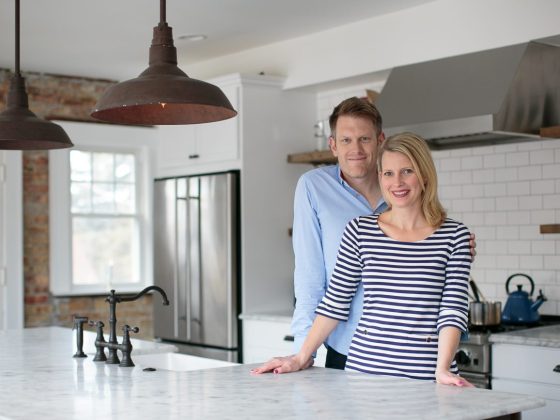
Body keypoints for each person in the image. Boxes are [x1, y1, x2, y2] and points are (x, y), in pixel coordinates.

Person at [253, 132, 473, 386]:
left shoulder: (455, 235)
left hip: (426, 374)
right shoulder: (360, 230)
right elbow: (335, 302)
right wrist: (301, 356)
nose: (397, 182)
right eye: (388, 173)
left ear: (424, 174)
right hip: (364, 372)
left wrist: (443, 369)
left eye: (407, 171)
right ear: (380, 177)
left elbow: (452, 310)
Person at [290, 97, 388, 370]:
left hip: (403, 346)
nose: (355, 149)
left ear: (380, 140)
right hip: (346, 345)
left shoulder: (400, 187)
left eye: (364, 139)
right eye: (346, 140)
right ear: (333, 145)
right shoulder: (313, 187)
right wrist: (303, 350)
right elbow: (310, 275)